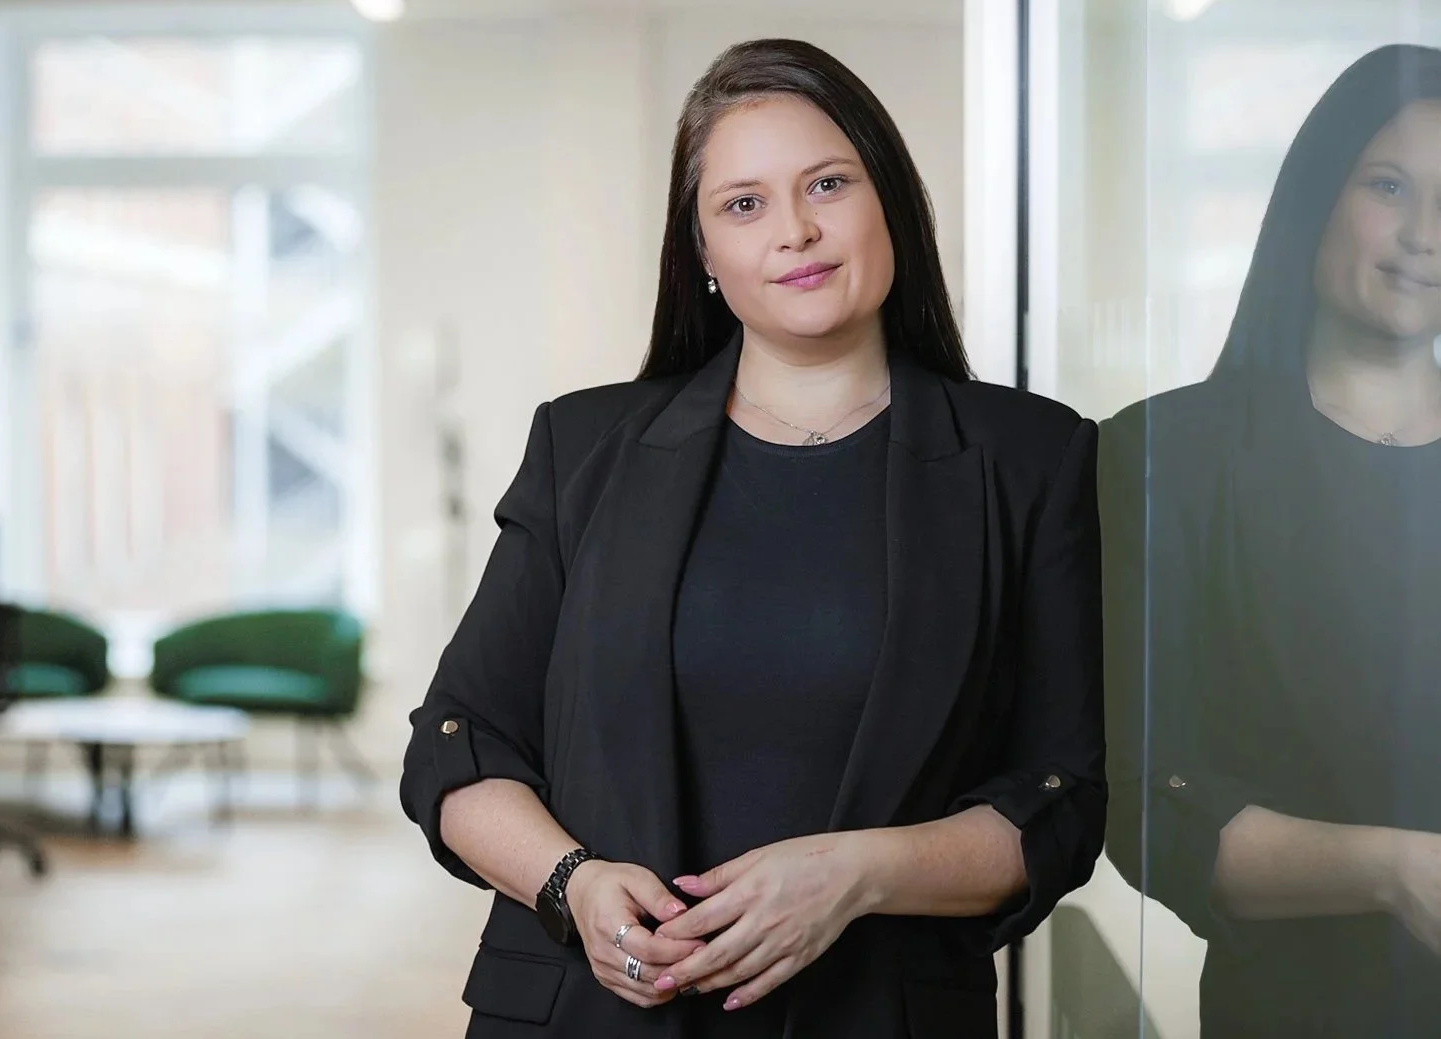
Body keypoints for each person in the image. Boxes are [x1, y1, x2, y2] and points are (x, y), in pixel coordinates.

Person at [402, 37, 1105, 1038]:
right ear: (702, 253)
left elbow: (1062, 797)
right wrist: (574, 883)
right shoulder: (585, 445)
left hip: (877, 1012)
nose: (797, 231)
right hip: (587, 1013)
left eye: (829, 184)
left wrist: (856, 874)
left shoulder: (1030, 458)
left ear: (890, 202)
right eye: (745, 203)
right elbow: (458, 741)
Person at [1100, 43, 1441, 1038]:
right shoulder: (1169, 456)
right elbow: (1147, 805)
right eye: (1389, 186)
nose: (1426, 234)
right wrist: (1399, 870)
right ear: (1317, 196)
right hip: (1299, 1011)